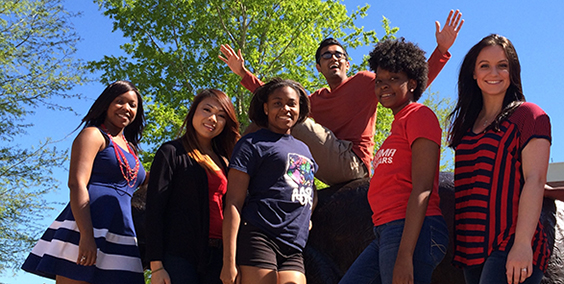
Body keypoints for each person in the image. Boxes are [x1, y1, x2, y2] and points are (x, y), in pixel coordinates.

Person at [219, 10, 463, 185]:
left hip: (352, 163)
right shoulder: (315, 99)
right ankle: (227, 165)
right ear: (319, 67)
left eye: (338, 54)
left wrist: (441, 51)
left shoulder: (366, 82)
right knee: (273, 116)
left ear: (347, 62)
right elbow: (276, 98)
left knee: (294, 118)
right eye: (326, 56)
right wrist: (243, 73)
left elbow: (407, 83)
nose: (333, 58)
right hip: (324, 167)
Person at [338, 38, 449, 284]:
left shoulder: (420, 116)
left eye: (393, 79)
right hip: (385, 230)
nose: (383, 86)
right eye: (379, 81)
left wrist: (405, 255)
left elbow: (423, 187)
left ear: (411, 84)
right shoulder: (395, 128)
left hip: (414, 231)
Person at [447, 34, 551, 284]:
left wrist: (522, 244)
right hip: (471, 248)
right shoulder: (464, 126)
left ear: (512, 71)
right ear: (473, 73)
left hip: (511, 242)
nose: (494, 72)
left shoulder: (529, 115)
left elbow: (535, 181)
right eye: (484, 65)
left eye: (502, 65)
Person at [21, 81, 147, 283]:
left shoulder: (131, 149)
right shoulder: (93, 135)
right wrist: (86, 235)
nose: (126, 108)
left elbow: (158, 180)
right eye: (119, 101)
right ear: (106, 103)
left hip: (122, 231)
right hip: (88, 224)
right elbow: (76, 183)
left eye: (132, 105)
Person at [221, 78, 317, 284]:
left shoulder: (305, 149)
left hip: (294, 245)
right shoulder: (251, 143)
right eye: (277, 103)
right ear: (265, 108)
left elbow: (310, 188)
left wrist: (308, 215)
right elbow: (233, 203)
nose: (285, 108)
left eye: (292, 103)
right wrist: (228, 262)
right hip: (259, 234)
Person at [145, 89, 240, 284]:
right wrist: (156, 266)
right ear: (193, 111)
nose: (213, 118)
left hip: (218, 256)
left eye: (221, 115)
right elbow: (154, 209)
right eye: (207, 110)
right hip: (179, 255)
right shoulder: (171, 152)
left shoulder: (225, 161)